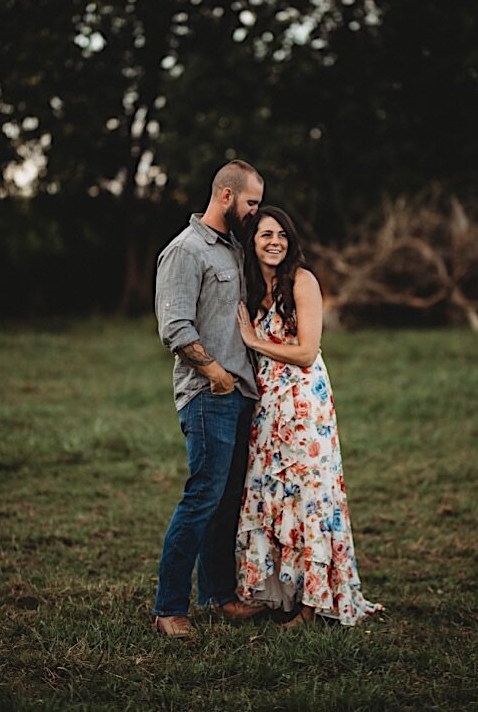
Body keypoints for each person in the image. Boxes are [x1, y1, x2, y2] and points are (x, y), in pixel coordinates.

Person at [234, 205, 383, 627]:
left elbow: (306, 352)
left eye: (281, 234)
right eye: (265, 235)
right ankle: (282, 592)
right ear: (252, 242)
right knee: (272, 491)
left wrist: (254, 341)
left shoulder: (303, 281)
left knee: (309, 493)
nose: (275, 241)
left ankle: (314, 604)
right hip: (268, 404)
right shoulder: (250, 286)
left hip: (303, 401)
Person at [152, 160, 268, 638]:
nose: (256, 212)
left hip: (240, 394)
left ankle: (219, 595)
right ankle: (169, 608)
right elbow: (175, 326)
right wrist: (215, 373)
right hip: (208, 395)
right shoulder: (185, 251)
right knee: (202, 497)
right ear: (226, 196)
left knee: (226, 501)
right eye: (252, 202)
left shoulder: (233, 250)